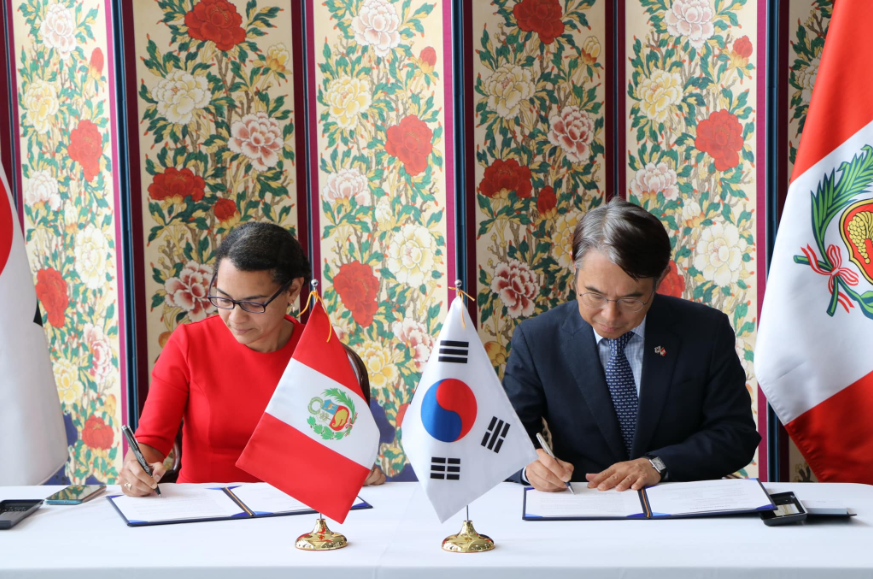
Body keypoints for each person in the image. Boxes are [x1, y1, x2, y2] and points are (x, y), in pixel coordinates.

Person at [503, 198, 759, 493]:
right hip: (583, 507)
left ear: (660, 279)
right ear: (575, 269)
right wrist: (529, 467)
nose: (610, 316)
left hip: (680, 505)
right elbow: (504, 438)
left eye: (631, 300)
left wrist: (658, 464)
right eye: (594, 295)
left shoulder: (705, 331)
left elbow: (736, 435)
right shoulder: (538, 339)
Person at [120, 222, 386, 496]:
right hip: (203, 511)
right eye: (223, 299)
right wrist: (135, 470)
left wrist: (359, 469)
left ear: (292, 290)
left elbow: (342, 447)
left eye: (252, 304)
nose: (235, 318)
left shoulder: (319, 354)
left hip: (295, 511)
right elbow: (151, 442)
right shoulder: (189, 344)